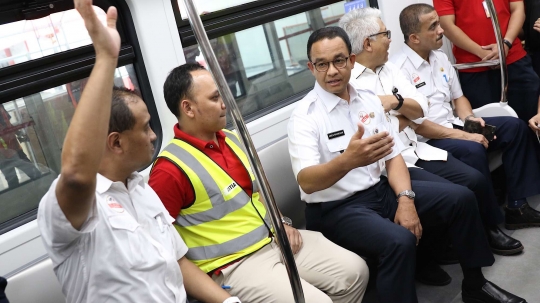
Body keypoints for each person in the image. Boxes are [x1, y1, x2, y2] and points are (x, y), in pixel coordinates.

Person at [289, 26, 526, 303]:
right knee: (398, 242)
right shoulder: (305, 117)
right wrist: (347, 161)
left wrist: (405, 198)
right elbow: (306, 180)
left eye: (339, 60)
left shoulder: (368, 100)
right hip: (337, 208)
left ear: (351, 61)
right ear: (311, 67)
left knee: (461, 197)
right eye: (322, 64)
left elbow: (393, 156)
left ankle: (475, 286)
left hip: (380, 191)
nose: (331, 71)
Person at [37, 1, 239, 303]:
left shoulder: (141, 189)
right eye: (145, 128)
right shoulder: (80, 206)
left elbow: (178, 262)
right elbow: (77, 174)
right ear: (116, 143)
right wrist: (106, 58)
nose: (154, 135)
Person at [149, 63, 369, 303]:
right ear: (188, 108)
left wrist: (281, 222)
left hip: (273, 239)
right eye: (215, 98)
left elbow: (258, 192)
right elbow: (162, 249)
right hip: (234, 265)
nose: (225, 104)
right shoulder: (169, 170)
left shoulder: (232, 139)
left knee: (355, 272)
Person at [340, 7, 522, 265]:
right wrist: (404, 112)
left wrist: (394, 102)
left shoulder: (389, 70)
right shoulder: (352, 85)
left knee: (475, 179)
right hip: (393, 163)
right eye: (386, 34)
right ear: (368, 43)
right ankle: (452, 256)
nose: (391, 39)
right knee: (462, 189)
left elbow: (420, 108)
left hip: (416, 149)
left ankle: (484, 235)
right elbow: (385, 129)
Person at [392, 3, 540, 232]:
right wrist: (463, 135)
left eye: (439, 24)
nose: (441, 30)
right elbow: (416, 125)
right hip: (430, 139)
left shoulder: (439, 58)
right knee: (473, 149)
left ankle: (517, 207)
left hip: (454, 125)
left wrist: (470, 119)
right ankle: (489, 225)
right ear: (414, 37)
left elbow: (458, 98)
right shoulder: (397, 71)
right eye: (433, 27)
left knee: (515, 127)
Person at [434, 0, 540, 130]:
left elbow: (518, 10)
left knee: (531, 117)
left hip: (514, 58)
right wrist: (483, 54)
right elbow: (447, 25)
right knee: (490, 126)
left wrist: (505, 44)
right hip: (473, 67)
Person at [0, 104, 41, 189]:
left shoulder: (1, 105)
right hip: (3, 155)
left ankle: (40, 194)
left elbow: (8, 124)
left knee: (34, 173)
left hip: (14, 149)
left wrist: (19, 133)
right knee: (13, 181)